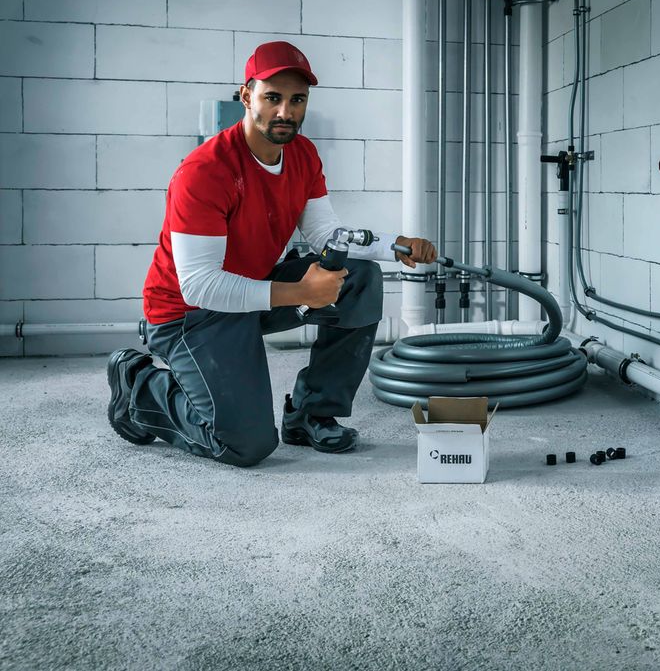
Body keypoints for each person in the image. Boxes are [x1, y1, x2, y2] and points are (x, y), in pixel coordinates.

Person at [105, 41, 437, 467]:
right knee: (245, 444)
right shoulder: (205, 172)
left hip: (251, 293)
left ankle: (312, 413)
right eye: (272, 98)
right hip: (187, 314)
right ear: (246, 97)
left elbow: (324, 233)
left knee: (359, 278)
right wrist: (299, 292)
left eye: (297, 100)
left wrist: (394, 244)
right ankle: (139, 386)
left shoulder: (302, 154)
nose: (286, 112)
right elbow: (200, 284)